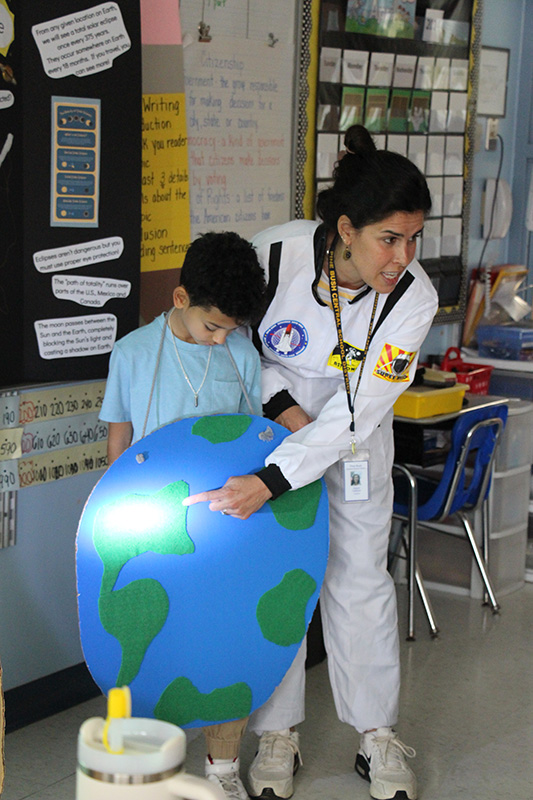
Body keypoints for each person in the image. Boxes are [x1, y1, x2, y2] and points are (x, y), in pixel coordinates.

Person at [184, 125, 439, 800]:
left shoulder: (412, 297)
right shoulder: (275, 254)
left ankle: (375, 736)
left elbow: (364, 407)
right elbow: (243, 348)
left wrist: (276, 478)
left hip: (357, 434)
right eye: (390, 238)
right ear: (345, 228)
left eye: (414, 238)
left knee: (359, 578)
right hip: (269, 422)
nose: (403, 255)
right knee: (282, 579)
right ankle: (277, 735)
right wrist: (283, 414)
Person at [99, 230, 267, 800]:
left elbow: (255, 440)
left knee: (228, 643)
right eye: (212, 326)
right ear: (179, 300)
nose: (220, 340)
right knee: (147, 645)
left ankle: (223, 768)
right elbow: (118, 443)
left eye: (231, 329)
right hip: (154, 528)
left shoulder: (240, 354)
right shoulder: (133, 353)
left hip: (224, 526)